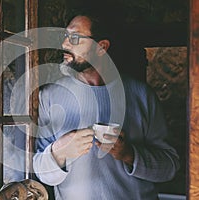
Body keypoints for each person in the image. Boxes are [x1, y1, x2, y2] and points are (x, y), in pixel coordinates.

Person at [33, 14, 180, 200]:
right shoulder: (49, 96)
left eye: (75, 38)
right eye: (66, 36)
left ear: (101, 47)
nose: (64, 44)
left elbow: (170, 167)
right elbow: (40, 172)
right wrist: (59, 152)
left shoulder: (141, 94)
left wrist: (129, 155)